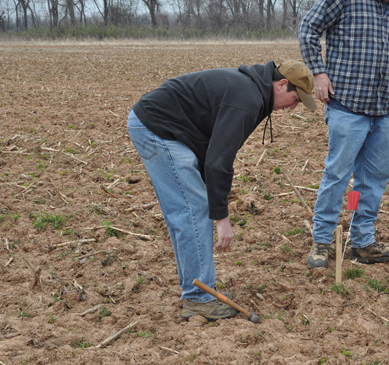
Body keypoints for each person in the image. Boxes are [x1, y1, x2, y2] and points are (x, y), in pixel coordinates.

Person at [127, 60, 316, 320]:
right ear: (282, 84)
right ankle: (198, 299)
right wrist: (221, 217)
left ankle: (195, 290)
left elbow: (210, 146)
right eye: (296, 99)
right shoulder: (247, 99)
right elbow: (219, 159)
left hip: (167, 128)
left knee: (189, 209)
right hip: (157, 129)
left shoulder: (254, 92)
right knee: (192, 210)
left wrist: (213, 193)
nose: (294, 107)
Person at [299, 0, 389, 268]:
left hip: (380, 111)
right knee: (337, 176)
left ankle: (362, 240)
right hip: (347, 108)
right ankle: (322, 241)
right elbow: (309, 27)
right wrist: (319, 72)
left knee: (371, 180)